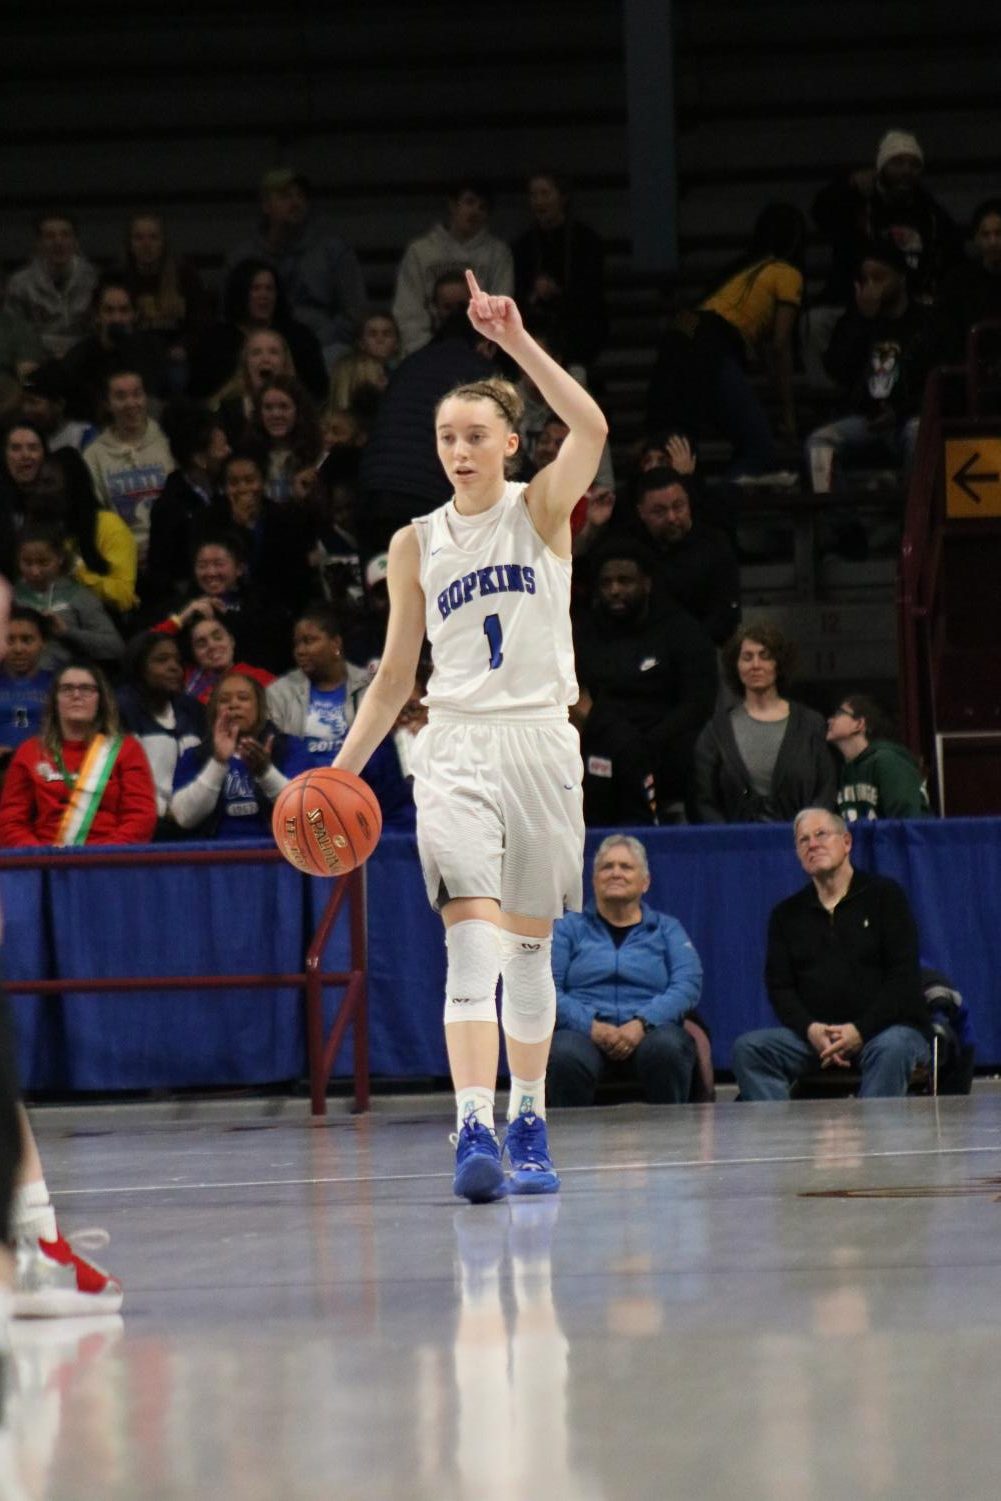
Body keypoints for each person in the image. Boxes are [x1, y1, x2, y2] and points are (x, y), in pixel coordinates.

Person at [332, 270, 608, 1203]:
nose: (457, 449)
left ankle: (528, 1115)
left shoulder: (539, 510)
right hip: (451, 747)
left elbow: (596, 431)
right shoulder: (415, 542)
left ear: (508, 443)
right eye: (446, 436)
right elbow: (394, 680)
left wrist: (520, 342)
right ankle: (471, 1128)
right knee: (472, 947)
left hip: (538, 743)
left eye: (475, 435)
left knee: (529, 954)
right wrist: (337, 777)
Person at [732, 807, 932, 1099]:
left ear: (847, 842)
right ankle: (786, 1140)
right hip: (815, 1040)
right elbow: (780, 988)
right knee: (749, 1050)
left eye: (821, 834)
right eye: (803, 840)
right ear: (799, 855)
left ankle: (873, 1142)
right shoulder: (785, 915)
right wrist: (811, 1029)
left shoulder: (886, 897)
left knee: (893, 1048)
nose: (813, 844)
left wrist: (859, 1031)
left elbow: (902, 980)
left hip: (883, 1032)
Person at [646, 203, 805, 478]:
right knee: (759, 449)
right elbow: (780, 343)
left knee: (680, 440)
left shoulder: (740, 267)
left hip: (682, 328)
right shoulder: (787, 273)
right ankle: (719, 500)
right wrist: (789, 416)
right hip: (711, 337)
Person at [547, 834, 704, 1106]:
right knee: (563, 1055)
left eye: (626, 867)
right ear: (594, 880)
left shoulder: (667, 929)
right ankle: (568, 1146)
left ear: (645, 882)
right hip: (583, 1034)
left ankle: (674, 1140)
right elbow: (547, 988)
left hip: (651, 1031)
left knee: (669, 1049)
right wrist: (590, 1026)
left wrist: (642, 1023)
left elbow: (687, 985)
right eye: (607, 867)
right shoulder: (567, 928)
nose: (615, 873)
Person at [572, 538, 718, 825]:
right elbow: (573, 696)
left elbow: (698, 702)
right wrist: (619, 741)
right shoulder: (582, 633)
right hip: (603, 745)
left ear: (647, 584)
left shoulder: (681, 630)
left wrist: (647, 744)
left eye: (625, 581)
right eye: (606, 583)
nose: (614, 590)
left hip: (667, 748)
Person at [358, 272, 496, 556]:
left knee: (384, 589)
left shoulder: (411, 362)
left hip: (374, 490)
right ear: (486, 344)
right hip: (426, 496)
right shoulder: (479, 370)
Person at [804, 240, 941, 492]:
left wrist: (899, 412)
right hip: (866, 419)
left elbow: (937, 380)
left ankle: (912, 520)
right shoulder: (856, 319)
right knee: (819, 443)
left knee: (918, 433)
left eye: (879, 278)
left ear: (900, 278)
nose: (871, 286)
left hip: (908, 417)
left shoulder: (926, 322)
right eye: (865, 279)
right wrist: (862, 320)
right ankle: (845, 527)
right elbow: (837, 369)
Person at [0, 661, 156, 846]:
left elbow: (140, 816)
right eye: (67, 689)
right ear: (54, 699)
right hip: (44, 865)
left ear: (101, 699)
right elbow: (10, 821)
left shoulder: (127, 749)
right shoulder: (30, 751)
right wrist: (41, 860)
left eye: (86, 689)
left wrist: (105, 858)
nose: (76, 695)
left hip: (110, 863)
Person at [693, 621, 835, 823]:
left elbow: (826, 789)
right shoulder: (716, 731)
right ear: (737, 666)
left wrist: (809, 833)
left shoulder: (810, 724)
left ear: (778, 664)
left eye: (765, 656)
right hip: (736, 847)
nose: (756, 665)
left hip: (802, 844)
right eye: (747, 657)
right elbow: (705, 800)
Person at [228, 168, 367, 362]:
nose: (296, 203)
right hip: (257, 346)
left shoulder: (334, 251)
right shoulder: (243, 257)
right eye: (285, 196)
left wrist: (310, 342)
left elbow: (353, 313)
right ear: (266, 205)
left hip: (322, 345)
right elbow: (230, 316)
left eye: (300, 196)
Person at [393, 181, 514, 357]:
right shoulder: (420, 251)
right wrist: (422, 352)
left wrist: (484, 348)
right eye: (469, 202)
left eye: (482, 207)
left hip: (480, 350)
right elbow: (407, 310)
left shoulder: (498, 253)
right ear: (452, 204)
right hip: (425, 350)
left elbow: (501, 306)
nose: (475, 212)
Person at [169, 671, 295, 838]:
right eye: (224, 700)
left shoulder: (288, 747)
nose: (234, 705)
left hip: (276, 856)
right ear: (214, 710)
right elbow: (184, 817)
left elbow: (304, 811)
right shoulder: (196, 755)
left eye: (243, 698)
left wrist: (266, 773)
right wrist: (218, 762)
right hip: (214, 858)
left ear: (259, 707)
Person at [189, 257, 328, 404]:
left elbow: (317, 392)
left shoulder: (299, 337)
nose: (264, 296)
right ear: (240, 294)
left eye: (269, 289)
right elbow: (199, 393)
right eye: (255, 288)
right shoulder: (215, 340)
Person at [628, 465, 739, 645]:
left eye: (678, 506)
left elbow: (726, 614)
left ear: (688, 502)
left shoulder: (715, 544)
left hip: (703, 646)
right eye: (660, 511)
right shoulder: (632, 549)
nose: (672, 517)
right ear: (642, 512)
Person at [512, 169, 608, 369]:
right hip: (536, 325)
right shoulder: (523, 245)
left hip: (577, 326)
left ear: (562, 197)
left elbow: (592, 291)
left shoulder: (587, 240)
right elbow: (518, 290)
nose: (539, 201)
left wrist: (557, 292)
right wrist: (533, 295)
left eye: (545, 194)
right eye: (534, 195)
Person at [83, 366, 175, 567]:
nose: (131, 403)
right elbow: (97, 518)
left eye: (137, 394)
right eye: (121, 397)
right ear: (108, 403)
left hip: (171, 553)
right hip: (122, 560)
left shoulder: (169, 441)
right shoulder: (94, 455)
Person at [146, 401, 232, 608]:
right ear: (200, 459)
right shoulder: (170, 508)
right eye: (222, 448)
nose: (229, 452)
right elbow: (162, 577)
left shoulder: (228, 491)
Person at [116, 632, 205, 826]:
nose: (174, 667)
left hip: (190, 823)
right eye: (161, 660)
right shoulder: (119, 709)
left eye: (177, 661)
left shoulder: (193, 710)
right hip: (139, 825)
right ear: (139, 667)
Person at [13, 523, 124, 668]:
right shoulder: (10, 594)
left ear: (60, 558)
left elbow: (116, 648)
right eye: (27, 563)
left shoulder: (78, 596)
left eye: (43, 563)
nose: (35, 571)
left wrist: (68, 632)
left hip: (63, 679)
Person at [266, 606, 369, 761]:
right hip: (301, 779)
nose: (300, 651)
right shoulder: (279, 693)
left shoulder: (368, 685)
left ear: (336, 643)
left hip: (360, 776)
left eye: (309, 641)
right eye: (297, 644)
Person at [58, 272, 166, 422]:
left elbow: (152, 395)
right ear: (97, 315)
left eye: (124, 310)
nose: (117, 318)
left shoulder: (151, 349)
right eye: (109, 311)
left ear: (134, 314)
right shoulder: (80, 355)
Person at [3, 212, 97, 359]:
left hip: (85, 358)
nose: (58, 242)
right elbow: (13, 332)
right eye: (50, 236)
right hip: (36, 358)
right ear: (38, 243)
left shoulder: (94, 279)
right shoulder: (20, 284)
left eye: (65, 235)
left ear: (75, 241)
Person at [123, 210, 211, 363]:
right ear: (129, 244)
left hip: (176, 355)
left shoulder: (185, 276)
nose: (146, 245)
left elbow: (200, 322)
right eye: (139, 238)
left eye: (153, 237)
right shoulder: (118, 278)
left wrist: (184, 347)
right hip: (134, 355)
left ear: (163, 242)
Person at [826, 693, 930, 820]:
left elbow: (907, 822)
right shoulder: (846, 770)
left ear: (859, 724)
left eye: (839, 713)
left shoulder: (889, 762)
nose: (830, 720)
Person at [937, 198, 1001, 360]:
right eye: (986, 234)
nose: (993, 242)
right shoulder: (958, 281)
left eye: (999, 234)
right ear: (976, 239)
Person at [248, 373, 321, 503]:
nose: (276, 414)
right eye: (268, 408)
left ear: (298, 411)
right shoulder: (247, 456)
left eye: (284, 407)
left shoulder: (316, 456)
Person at [178, 611, 275, 706]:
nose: (212, 645)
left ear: (232, 641)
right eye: (202, 644)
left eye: (218, 637)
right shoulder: (186, 677)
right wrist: (182, 617)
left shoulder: (260, 678)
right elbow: (162, 642)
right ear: (194, 654)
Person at [0, 606, 53, 761]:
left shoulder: (59, 685)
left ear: (43, 642)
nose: (18, 648)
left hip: (44, 767)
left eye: (27, 640)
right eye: (9, 640)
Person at [17, 361, 91, 452]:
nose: (26, 409)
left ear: (59, 404)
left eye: (34, 402)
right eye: (24, 402)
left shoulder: (84, 435)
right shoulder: (21, 432)